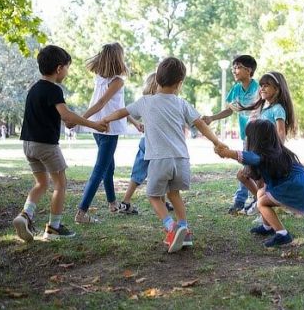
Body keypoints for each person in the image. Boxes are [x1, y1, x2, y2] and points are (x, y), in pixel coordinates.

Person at [103, 57, 226, 253]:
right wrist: (217, 142)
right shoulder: (182, 103)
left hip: (159, 160)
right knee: (174, 194)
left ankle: (171, 227)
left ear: (157, 80)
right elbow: (201, 123)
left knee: (153, 196)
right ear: (179, 84)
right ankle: (184, 229)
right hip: (181, 160)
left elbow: (122, 112)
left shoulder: (146, 102)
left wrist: (106, 118)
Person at [12, 45, 107, 242]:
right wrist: (94, 124)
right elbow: (65, 114)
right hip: (46, 146)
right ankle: (53, 228)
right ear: (58, 68)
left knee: (41, 183)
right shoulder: (54, 90)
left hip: (28, 145)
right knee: (60, 184)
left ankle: (25, 215)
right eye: (67, 67)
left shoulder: (34, 89)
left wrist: (70, 120)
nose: (67, 71)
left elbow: (60, 117)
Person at [215, 119, 304, 247]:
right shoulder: (275, 152)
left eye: (249, 137)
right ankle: (267, 227)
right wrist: (246, 177)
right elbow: (261, 186)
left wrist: (228, 153)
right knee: (261, 195)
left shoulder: (264, 155)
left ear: (256, 139)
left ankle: (283, 234)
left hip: (294, 187)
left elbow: (251, 157)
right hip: (299, 185)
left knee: (262, 203)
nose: (247, 140)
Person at [74, 42, 142, 224]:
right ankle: (81, 212)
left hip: (98, 126)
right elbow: (101, 103)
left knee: (109, 167)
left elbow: (118, 105)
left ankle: (113, 204)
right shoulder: (117, 81)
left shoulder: (100, 78)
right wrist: (78, 119)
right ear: (118, 58)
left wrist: (134, 121)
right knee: (100, 168)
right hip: (107, 128)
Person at [202, 55, 259, 214]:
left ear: (249, 70)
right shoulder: (236, 89)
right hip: (246, 137)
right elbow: (229, 110)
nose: (234, 70)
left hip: (260, 137)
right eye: (233, 67)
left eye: (238, 67)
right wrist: (212, 118)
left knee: (249, 168)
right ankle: (254, 198)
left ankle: (242, 201)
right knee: (247, 168)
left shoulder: (259, 88)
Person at [237, 71, 297, 216]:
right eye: (261, 85)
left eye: (266, 85)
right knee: (243, 176)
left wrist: (278, 151)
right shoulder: (263, 108)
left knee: (260, 182)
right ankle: (260, 202)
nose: (262, 88)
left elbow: (281, 131)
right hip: (257, 151)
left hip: (267, 153)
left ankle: (264, 208)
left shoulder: (277, 109)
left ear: (277, 89)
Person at [118, 72, 173, 215]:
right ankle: (161, 202)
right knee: (162, 171)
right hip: (157, 144)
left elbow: (128, 111)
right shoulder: (164, 101)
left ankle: (126, 201)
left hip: (145, 141)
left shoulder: (145, 101)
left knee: (138, 173)